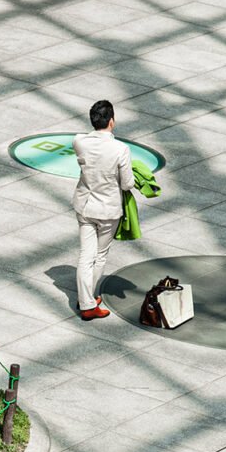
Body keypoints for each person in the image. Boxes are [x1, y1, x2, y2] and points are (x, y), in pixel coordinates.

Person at [72, 100, 134, 320]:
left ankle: (86, 299)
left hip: (84, 205)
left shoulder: (79, 142)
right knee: (99, 255)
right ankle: (87, 302)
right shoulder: (120, 149)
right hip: (107, 210)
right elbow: (127, 184)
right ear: (112, 121)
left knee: (84, 256)